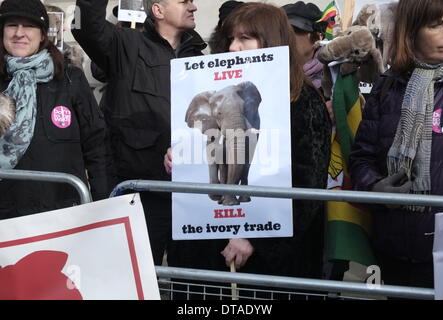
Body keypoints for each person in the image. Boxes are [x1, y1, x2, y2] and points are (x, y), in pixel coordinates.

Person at [166, 2, 331, 287]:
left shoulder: (302, 98)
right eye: (231, 38)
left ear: (271, 41)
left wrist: (256, 239)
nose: (232, 47)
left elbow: (309, 185)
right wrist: (179, 156)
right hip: (210, 251)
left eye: (245, 38)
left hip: (273, 266)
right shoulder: (205, 84)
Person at [72, 0, 206, 266]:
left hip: (191, 196)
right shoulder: (125, 46)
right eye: (184, 1)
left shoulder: (200, 59)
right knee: (138, 275)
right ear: (158, 11)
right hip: (138, 193)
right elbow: (87, 26)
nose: (193, 7)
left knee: (190, 281)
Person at [349, 0, 443, 288]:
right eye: (436, 24)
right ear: (411, 32)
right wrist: (374, 188)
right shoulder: (387, 86)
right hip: (394, 249)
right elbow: (361, 158)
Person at [0, 0, 108, 219]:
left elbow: (97, 147)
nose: (19, 33)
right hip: (7, 217)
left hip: (62, 216)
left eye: (29, 26)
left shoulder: (70, 79)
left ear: (42, 35)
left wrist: (104, 207)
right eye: (12, 25)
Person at [282, 1, 327, 90]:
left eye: (293, 31)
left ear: (316, 38)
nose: (285, 38)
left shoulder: (332, 73)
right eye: (282, 32)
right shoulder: (276, 71)